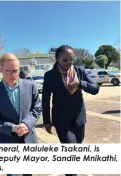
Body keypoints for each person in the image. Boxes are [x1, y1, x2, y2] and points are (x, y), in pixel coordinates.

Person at [42, 45, 99, 176]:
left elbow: (95, 89)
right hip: (61, 121)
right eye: (65, 60)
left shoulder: (80, 71)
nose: (68, 63)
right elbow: (45, 100)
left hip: (79, 119)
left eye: (71, 59)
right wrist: (47, 121)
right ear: (57, 59)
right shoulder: (50, 75)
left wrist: (80, 83)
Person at [0, 53, 42, 176]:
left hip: (29, 140)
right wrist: (12, 128)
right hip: (8, 141)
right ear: (1, 70)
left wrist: (26, 124)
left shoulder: (30, 86)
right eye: (9, 71)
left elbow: (37, 108)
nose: (14, 75)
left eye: (16, 71)